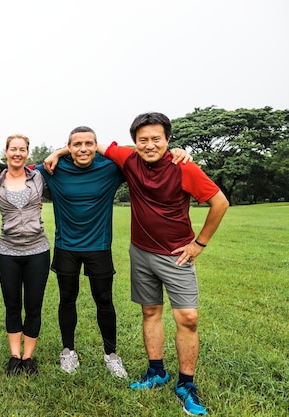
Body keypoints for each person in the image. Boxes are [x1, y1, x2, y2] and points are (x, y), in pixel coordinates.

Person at [97, 112, 228, 416]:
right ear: (135, 143)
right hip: (140, 252)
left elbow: (220, 202)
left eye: (157, 139)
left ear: (168, 140)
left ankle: (186, 385)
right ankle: (156, 372)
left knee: (188, 318)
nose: (149, 144)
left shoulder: (184, 167)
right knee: (150, 311)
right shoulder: (129, 159)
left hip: (176, 255)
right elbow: (94, 145)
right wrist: (61, 151)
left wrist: (199, 244)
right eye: (143, 139)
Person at [40, 127, 191, 378]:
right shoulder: (53, 169)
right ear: (69, 147)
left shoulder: (110, 167)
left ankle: (111, 354)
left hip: (99, 247)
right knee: (67, 299)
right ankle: (68, 351)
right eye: (76, 144)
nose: (83, 149)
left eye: (89, 143)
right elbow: (15, 168)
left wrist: (176, 151)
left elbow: (143, 155)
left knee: (105, 302)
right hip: (66, 246)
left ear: (96, 145)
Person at [0, 134, 50, 376]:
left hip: (38, 251)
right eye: (13, 149)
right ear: (6, 151)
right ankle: (14, 357)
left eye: (22, 150)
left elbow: (56, 160)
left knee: (34, 306)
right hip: (8, 252)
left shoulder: (39, 178)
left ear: (27, 153)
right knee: (12, 306)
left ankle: (28, 357)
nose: (17, 153)